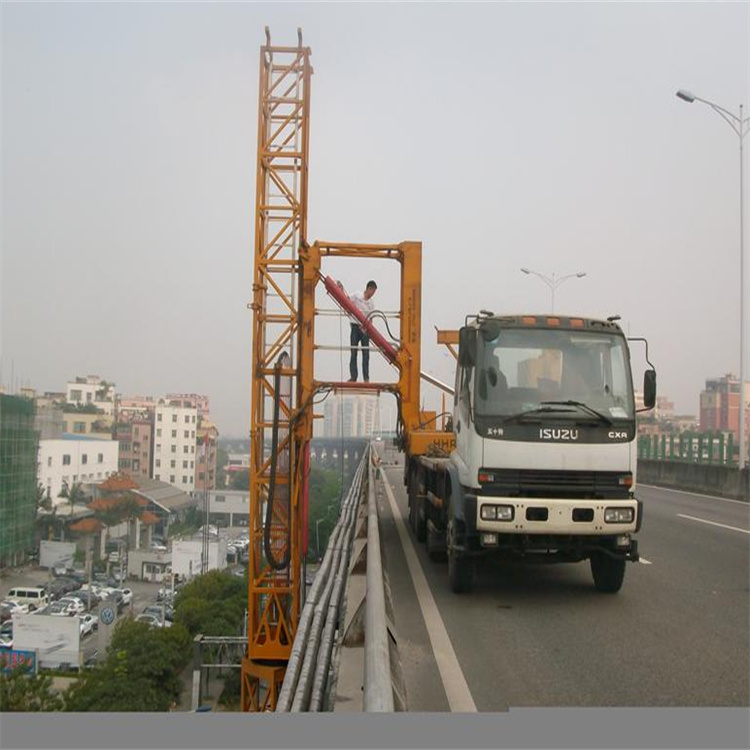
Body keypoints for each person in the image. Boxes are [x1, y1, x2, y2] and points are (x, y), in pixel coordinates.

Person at [338, 279, 378, 382]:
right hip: (355, 326)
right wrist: (341, 289)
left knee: (366, 354)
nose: (372, 294)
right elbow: (346, 299)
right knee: (353, 352)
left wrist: (369, 330)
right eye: (372, 291)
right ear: (368, 288)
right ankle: (353, 376)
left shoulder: (371, 304)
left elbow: (371, 318)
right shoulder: (357, 295)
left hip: (365, 329)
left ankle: (366, 377)